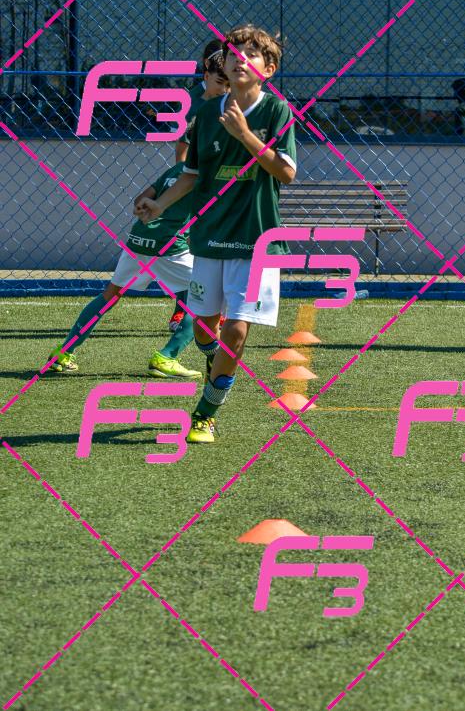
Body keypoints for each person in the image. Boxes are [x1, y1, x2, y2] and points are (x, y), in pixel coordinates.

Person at [135, 24, 297, 443]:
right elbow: (192, 174)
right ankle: (217, 365)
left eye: (251, 54)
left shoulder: (276, 111)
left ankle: (205, 414)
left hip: (255, 241)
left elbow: (286, 172)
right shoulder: (207, 114)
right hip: (209, 238)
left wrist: (244, 135)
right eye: (233, 53)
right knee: (205, 329)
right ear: (221, 64)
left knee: (236, 330)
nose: (240, 59)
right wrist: (160, 205)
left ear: (269, 69)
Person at [46, 161, 202, 378]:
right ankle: (167, 357)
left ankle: (63, 352)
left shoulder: (178, 169)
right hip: (168, 245)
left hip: (139, 237)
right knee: (204, 301)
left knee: (110, 295)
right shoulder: (209, 170)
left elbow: (140, 201)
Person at [168, 41, 228, 333]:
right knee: (190, 249)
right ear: (207, 68)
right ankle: (183, 309)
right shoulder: (195, 101)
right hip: (199, 185)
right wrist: (187, 181)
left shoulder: (235, 98)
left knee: (223, 247)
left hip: (225, 185)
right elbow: (182, 147)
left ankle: (220, 312)